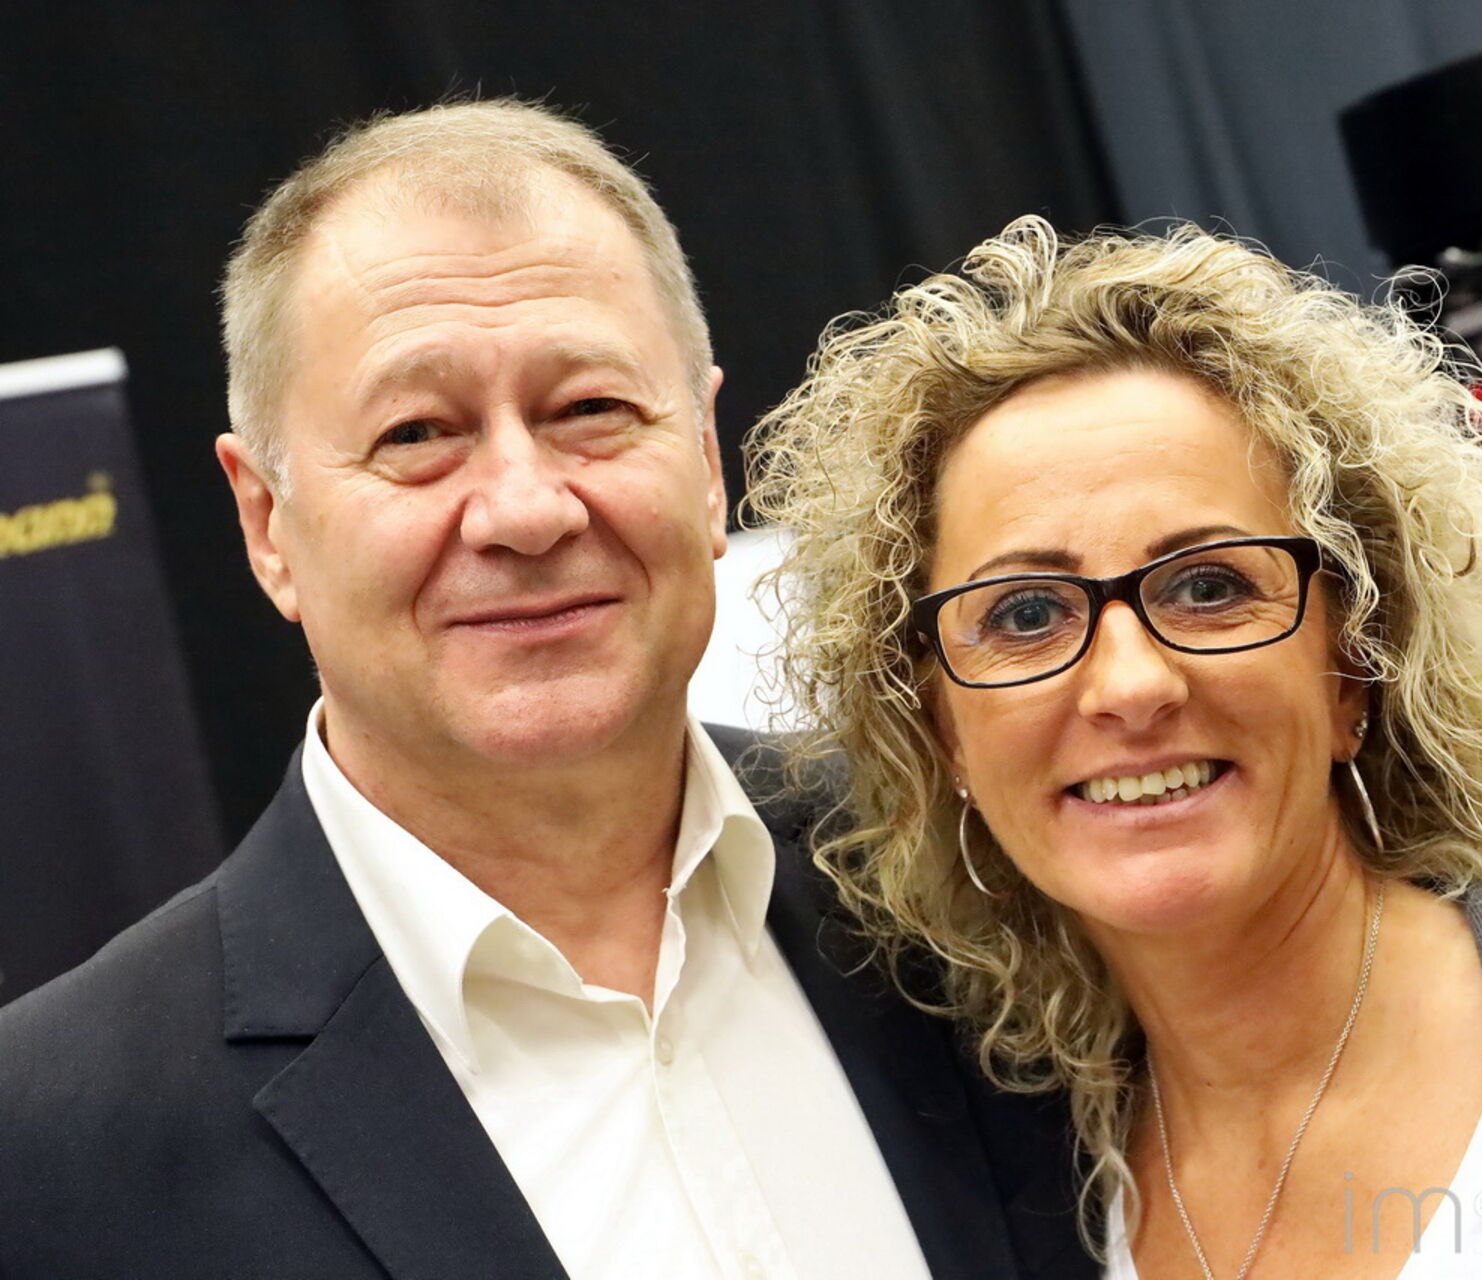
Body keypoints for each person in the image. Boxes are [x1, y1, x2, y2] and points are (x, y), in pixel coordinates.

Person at [0, 102, 1090, 1280]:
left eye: (589, 411)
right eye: (417, 432)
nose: (525, 509)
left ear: (706, 459)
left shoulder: (970, 875)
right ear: (268, 523)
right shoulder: (58, 1150)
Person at [745, 217, 1482, 1277]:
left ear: (1355, 660)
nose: (1131, 682)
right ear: (937, 726)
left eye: (1210, 585)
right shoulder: (1024, 1173)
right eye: (1024, 613)